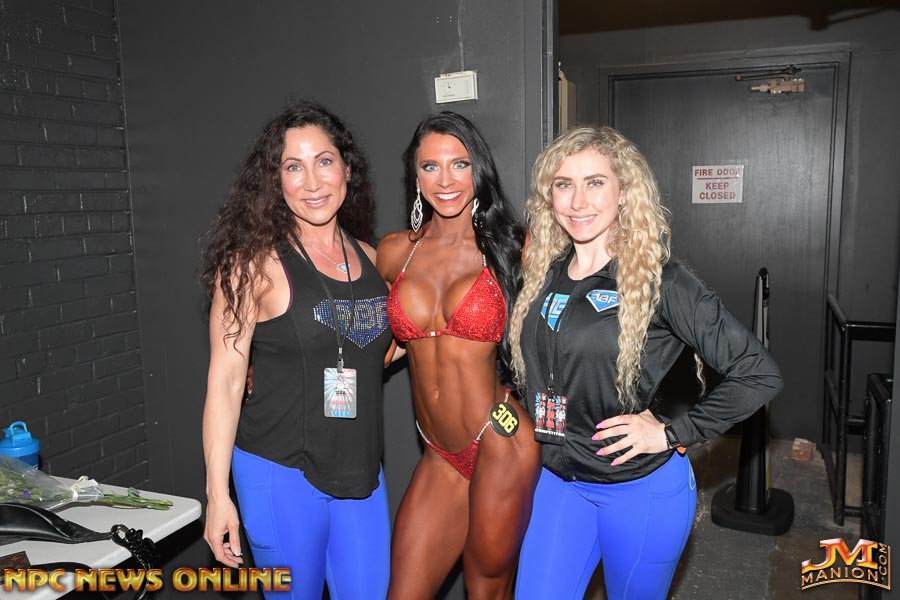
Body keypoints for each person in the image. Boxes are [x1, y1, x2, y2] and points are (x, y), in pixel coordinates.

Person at [508, 126, 783, 599]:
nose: (578, 201)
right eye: (563, 184)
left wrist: (674, 432)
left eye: (595, 182)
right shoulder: (542, 275)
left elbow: (758, 373)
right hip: (559, 484)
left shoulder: (661, 281)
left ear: (624, 191)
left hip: (639, 493)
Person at [200, 101, 393, 599]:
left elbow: (378, 351)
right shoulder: (250, 266)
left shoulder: (373, 260)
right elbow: (225, 382)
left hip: (361, 473)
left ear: (347, 169)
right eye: (293, 167)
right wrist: (218, 495)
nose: (312, 182)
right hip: (279, 474)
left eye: (324, 161)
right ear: (275, 180)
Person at [377, 112, 541, 599]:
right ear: (415, 176)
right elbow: (371, 335)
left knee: (486, 589)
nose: (445, 180)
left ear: (479, 169)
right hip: (439, 454)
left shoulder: (515, 248)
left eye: (459, 164)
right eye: (430, 167)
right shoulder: (395, 252)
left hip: (500, 442)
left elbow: (581, 321)